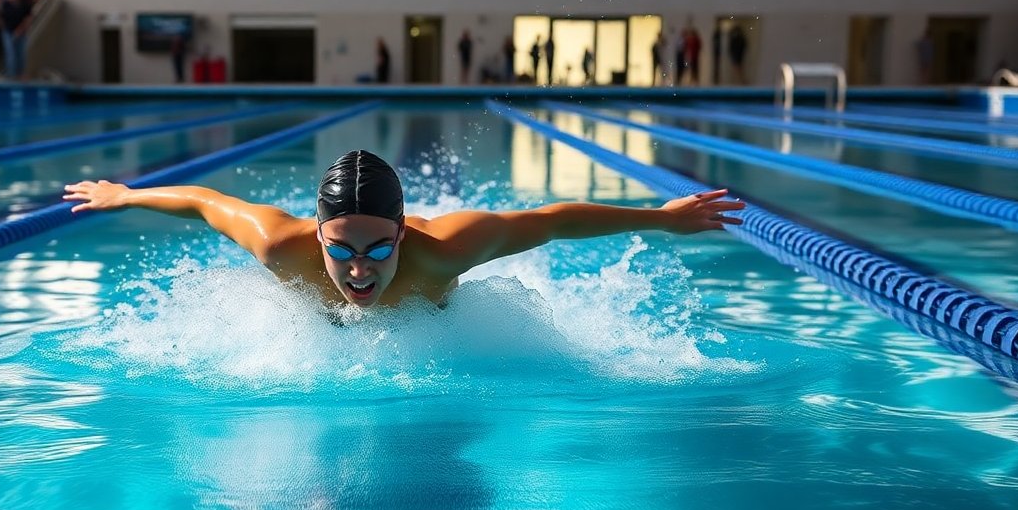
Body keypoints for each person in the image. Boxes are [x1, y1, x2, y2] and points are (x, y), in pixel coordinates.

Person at [63, 150, 745, 309]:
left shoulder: (443, 251)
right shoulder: (280, 245)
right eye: (342, 251)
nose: (360, 269)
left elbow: (551, 220)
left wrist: (658, 220)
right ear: (318, 235)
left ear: (402, 230)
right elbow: (204, 201)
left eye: (379, 248)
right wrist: (126, 194)